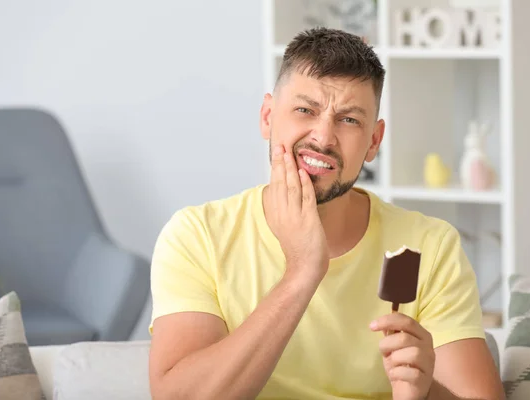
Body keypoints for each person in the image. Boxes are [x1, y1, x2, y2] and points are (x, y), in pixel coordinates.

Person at [148, 27, 504, 400]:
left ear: (374, 141)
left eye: (349, 119)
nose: (323, 137)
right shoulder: (197, 236)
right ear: (268, 117)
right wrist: (302, 273)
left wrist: (424, 392)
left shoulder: (429, 245)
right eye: (305, 110)